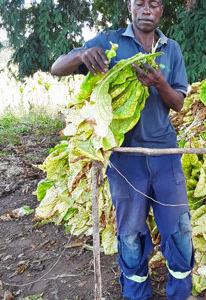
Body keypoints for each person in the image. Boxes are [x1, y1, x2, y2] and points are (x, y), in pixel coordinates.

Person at [51, 0, 194, 299]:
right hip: (124, 156)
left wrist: (158, 83)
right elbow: (57, 68)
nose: (146, 9)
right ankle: (136, 292)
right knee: (130, 232)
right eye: (139, 2)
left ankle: (180, 291)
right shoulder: (109, 41)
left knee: (178, 228)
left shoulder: (172, 49)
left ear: (161, 11)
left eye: (153, 4)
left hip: (165, 153)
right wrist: (81, 54)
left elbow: (178, 103)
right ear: (130, 7)